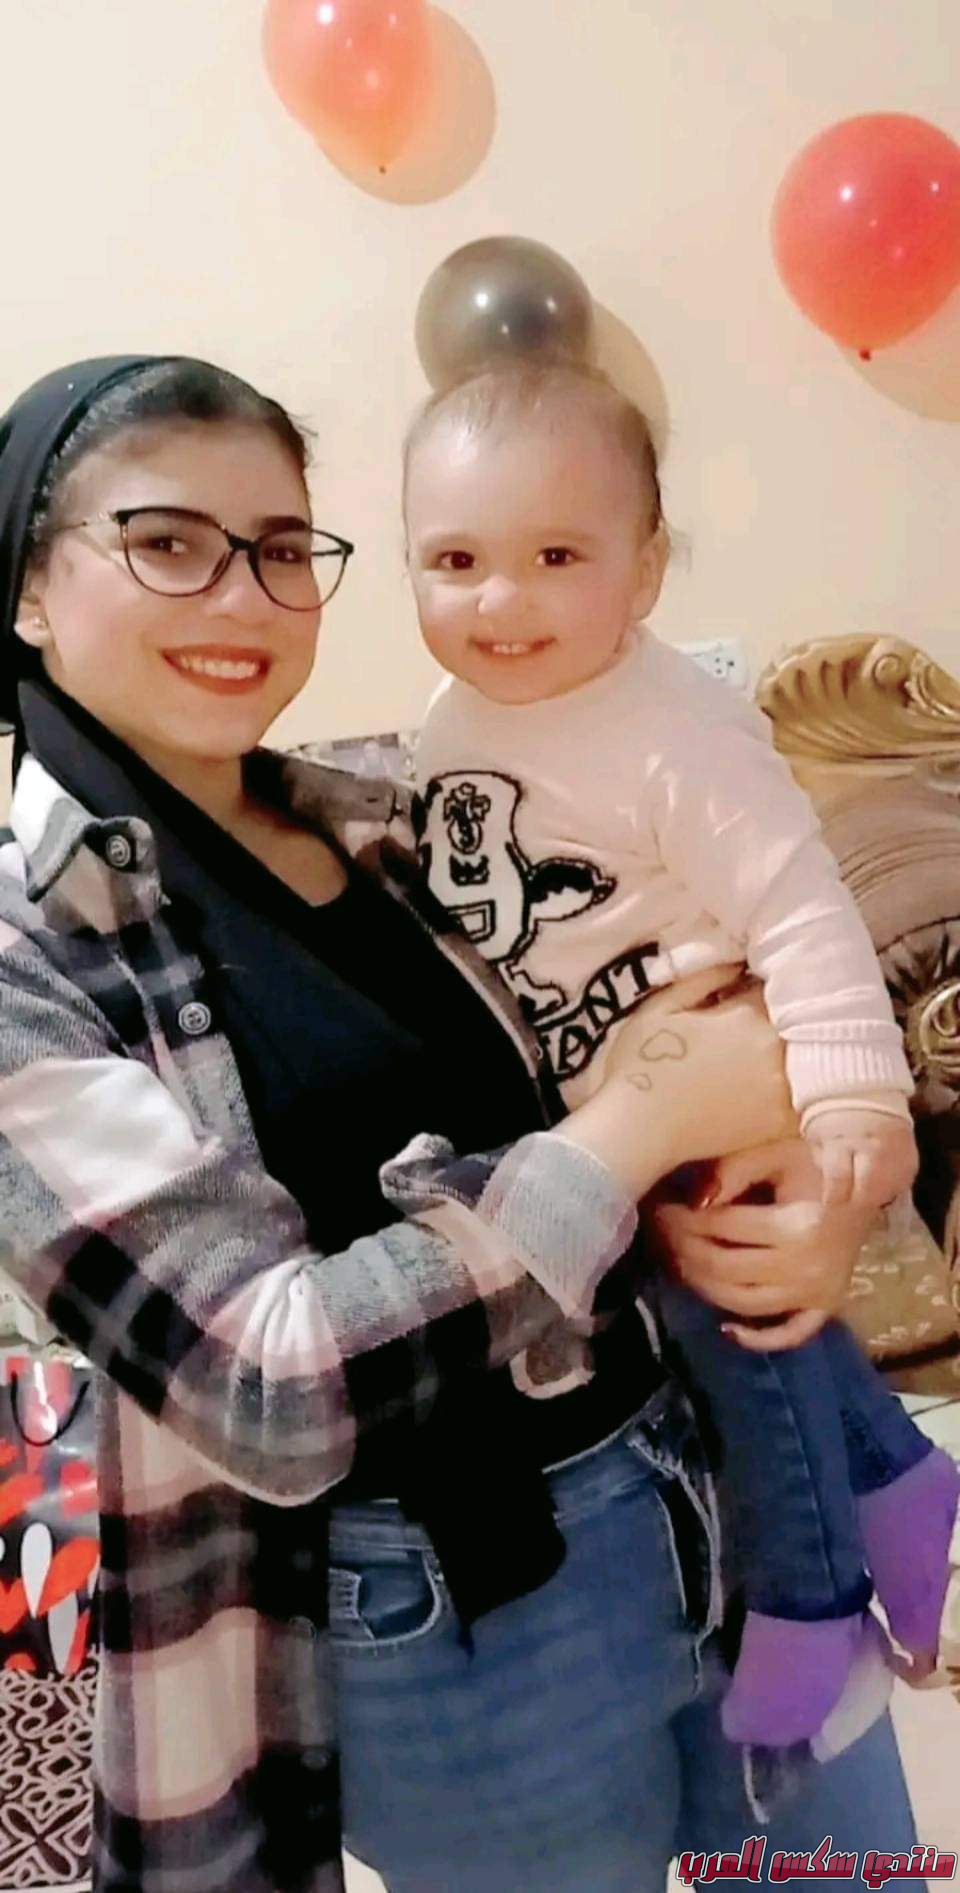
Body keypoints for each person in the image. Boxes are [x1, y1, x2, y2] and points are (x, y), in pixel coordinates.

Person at [0, 353, 919, 1893]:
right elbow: (272, 1384)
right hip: (458, 1627)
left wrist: (796, 1198)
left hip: (711, 1480)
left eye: (281, 546)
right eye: (167, 542)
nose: (242, 596)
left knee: (851, 1873)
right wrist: (631, 1133)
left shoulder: (392, 805)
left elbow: (701, 974)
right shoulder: (32, 959)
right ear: (30, 587)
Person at [404, 359, 960, 1748]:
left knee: (742, 1333)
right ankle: (900, 1474)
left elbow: (800, 904)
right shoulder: (448, 727)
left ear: (645, 571)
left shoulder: (671, 731)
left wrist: (856, 1093)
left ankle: (812, 1595)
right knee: (723, 1317)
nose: (499, 600)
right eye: (456, 560)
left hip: (716, 1085)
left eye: (556, 556)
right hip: (612, 1105)